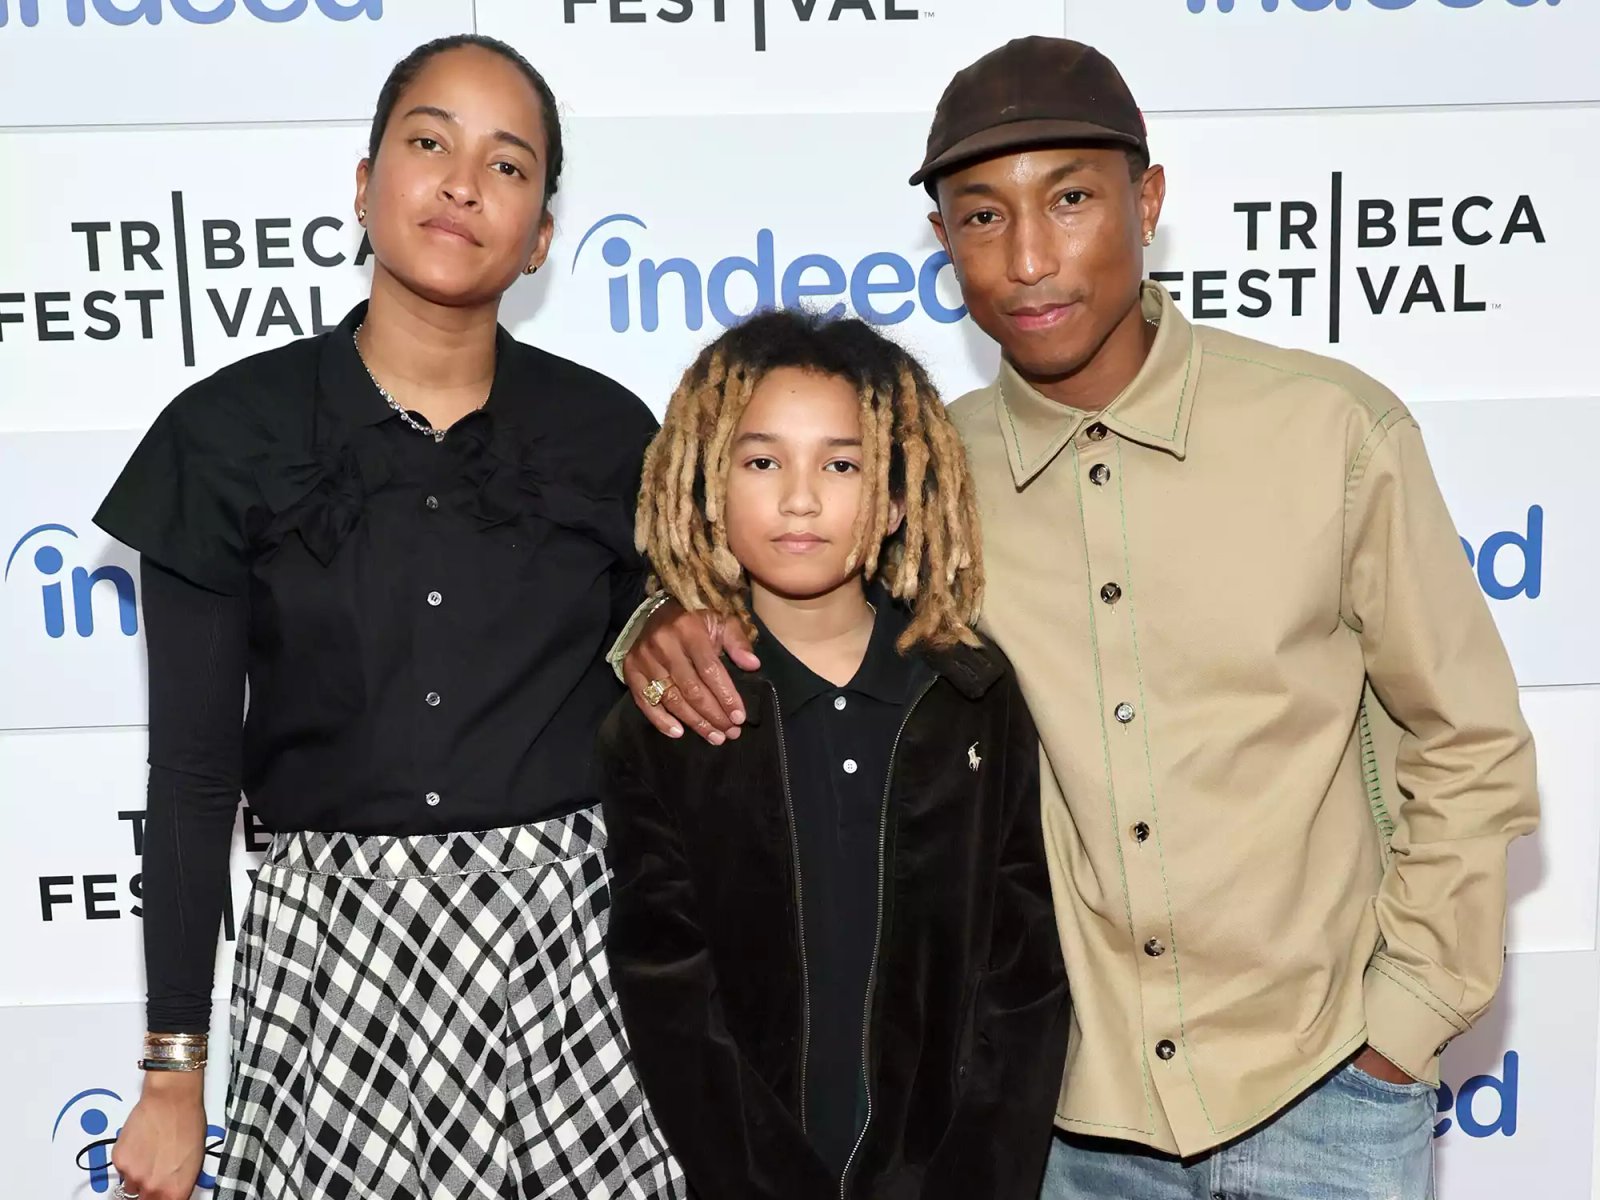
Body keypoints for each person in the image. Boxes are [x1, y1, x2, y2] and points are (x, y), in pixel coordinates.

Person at [613, 36, 1538, 1200]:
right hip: (1062, 1138)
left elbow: (1468, 741)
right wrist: (660, 617)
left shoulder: (1331, 434)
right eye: (981, 217)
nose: (1028, 258)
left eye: (1069, 200)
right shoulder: (923, 476)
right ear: (942, 242)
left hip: (1325, 1100)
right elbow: (787, 577)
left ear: (1146, 203)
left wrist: (1400, 1025)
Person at [93, 34, 683, 1200]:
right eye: (429, 144)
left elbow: (674, 726)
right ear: (365, 187)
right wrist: (171, 1072)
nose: (463, 184)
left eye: (507, 166)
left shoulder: (614, 438)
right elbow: (194, 776)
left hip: (569, 969)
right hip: (330, 969)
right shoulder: (224, 436)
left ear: (541, 237)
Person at [596, 309, 1069, 1199]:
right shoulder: (668, 717)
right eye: (762, 462)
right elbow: (668, 989)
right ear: (706, 484)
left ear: (897, 497)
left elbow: (1023, 973)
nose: (801, 499)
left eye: (842, 464)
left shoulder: (973, 697)